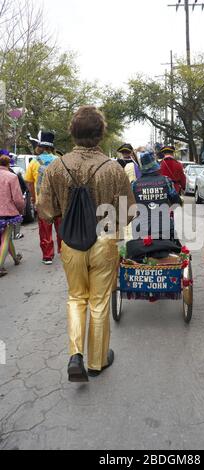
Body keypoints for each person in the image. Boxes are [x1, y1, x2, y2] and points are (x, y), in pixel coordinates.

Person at [38, 106, 136, 383]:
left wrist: (64, 212)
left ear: (73, 132)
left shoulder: (57, 166)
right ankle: (97, 360)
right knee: (99, 300)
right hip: (104, 241)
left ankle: (75, 355)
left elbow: (44, 209)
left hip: (71, 241)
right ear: (100, 134)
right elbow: (129, 211)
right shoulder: (112, 168)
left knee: (75, 297)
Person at [127, 151, 182, 262]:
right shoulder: (166, 180)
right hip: (165, 227)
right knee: (176, 254)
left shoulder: (134, 184)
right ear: (156, 167)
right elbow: (176, 200)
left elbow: (130, 205)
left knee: (138, 260)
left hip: (141, 228)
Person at [25, 131, 62, 265]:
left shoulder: (34, 162)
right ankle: (64, 251)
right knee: (60, 228)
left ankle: (47, 256)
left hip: (42, 201)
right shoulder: (59, 161)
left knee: (45, 230)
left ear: (41, 146)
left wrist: (34, 199)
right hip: (58, 201)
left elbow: (29, 183)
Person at [0, 153, 24, 277]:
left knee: (6, 238)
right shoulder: (11, 177)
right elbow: (18, 199)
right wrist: (20, 210)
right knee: (5, 238)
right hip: (6, 213)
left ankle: (15, 258)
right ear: (9, 164)